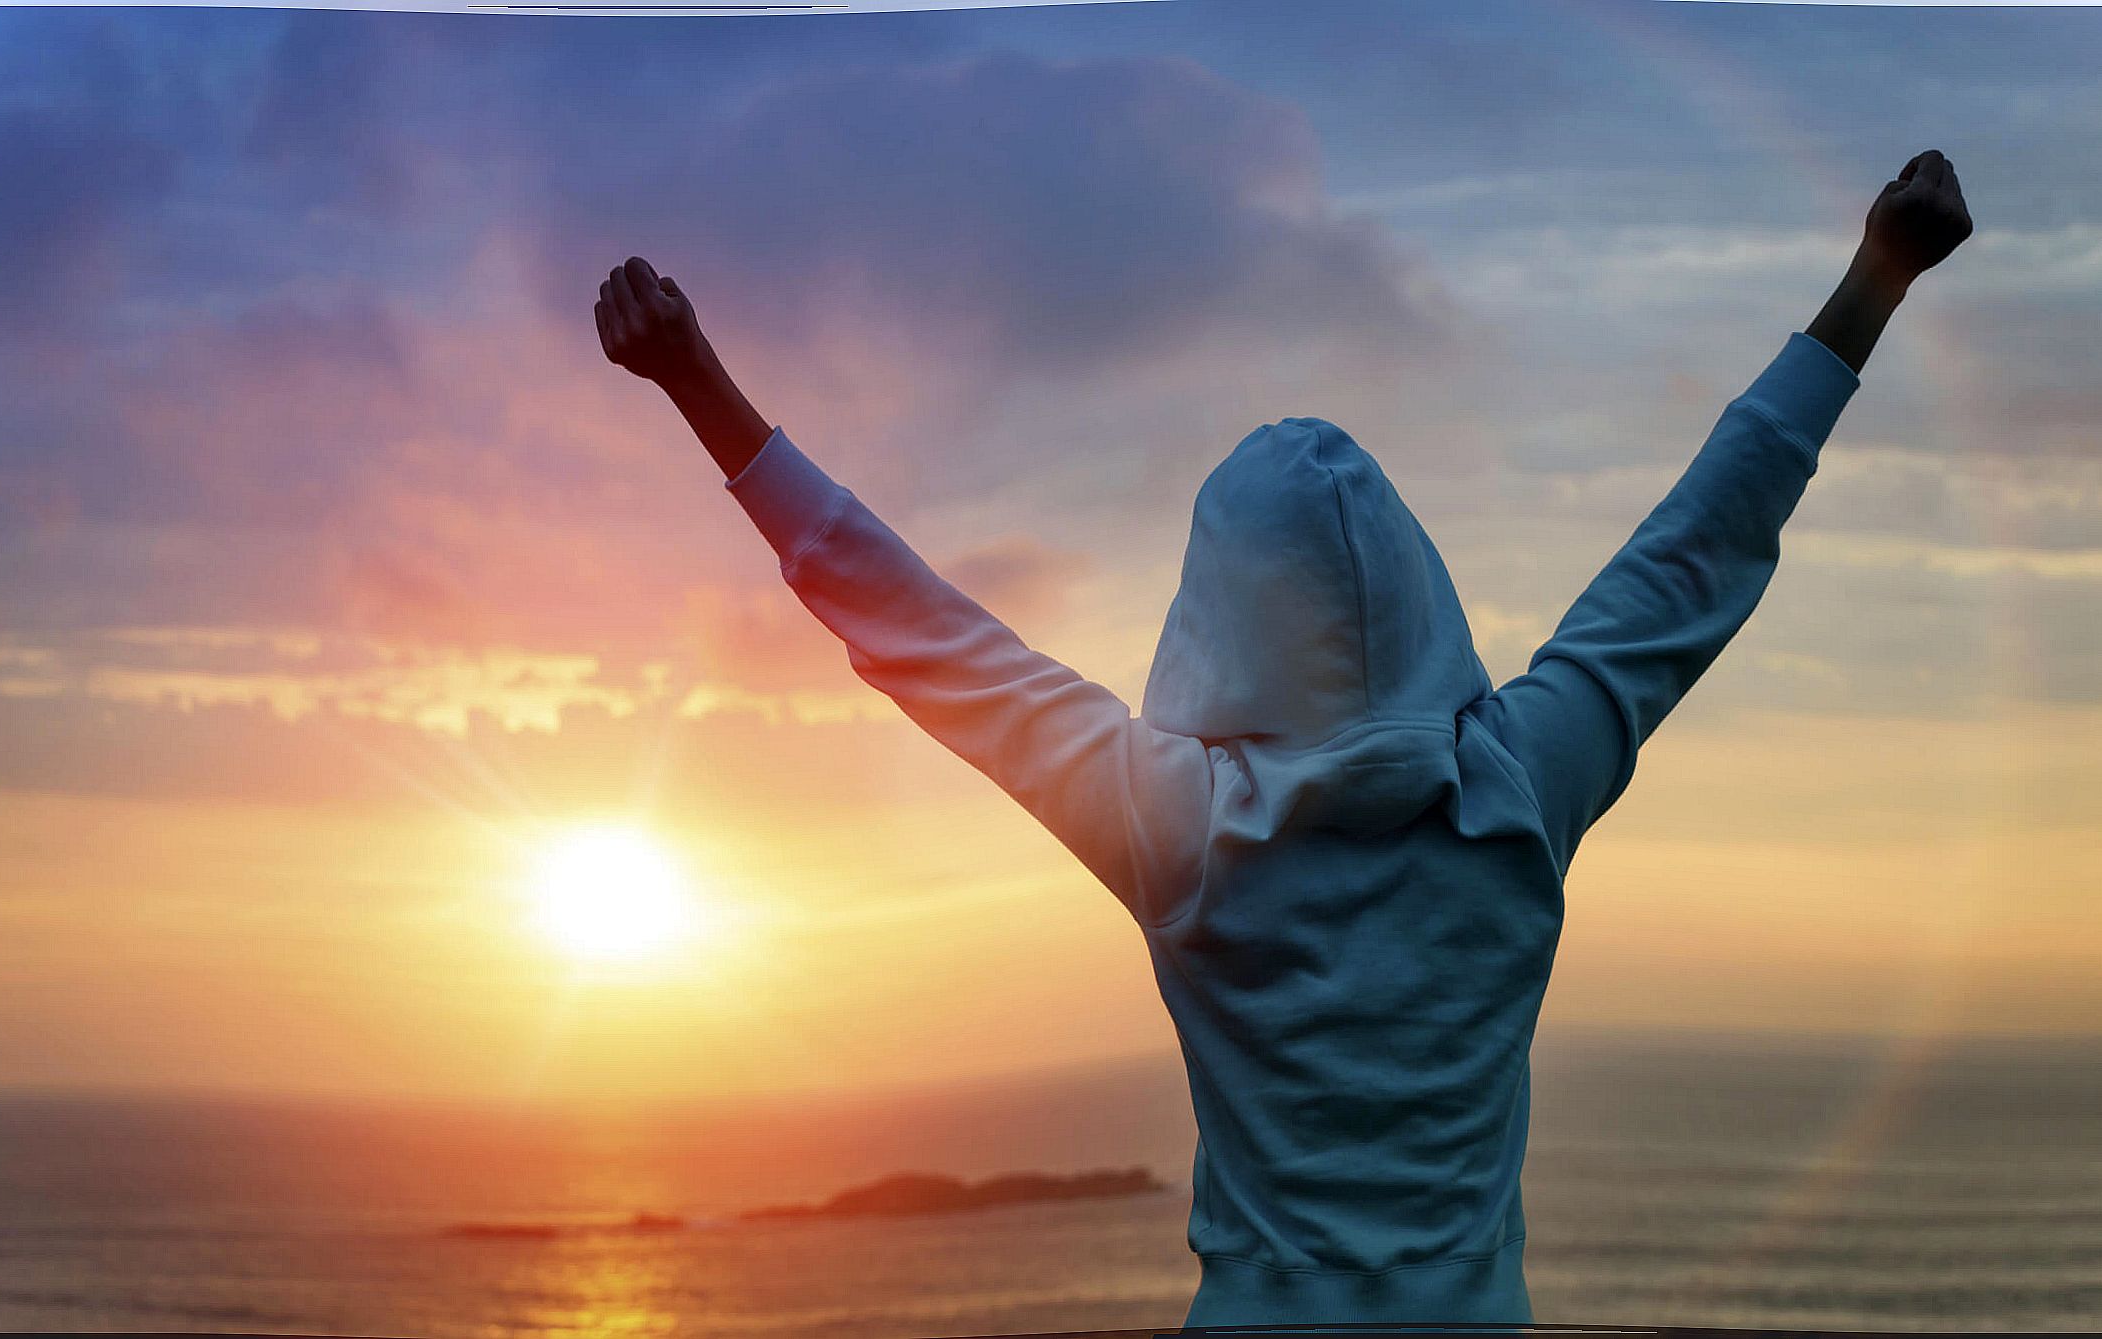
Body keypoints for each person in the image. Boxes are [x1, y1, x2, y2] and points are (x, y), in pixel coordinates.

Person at [594, 149, 1973, 1328]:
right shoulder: (1521, 781)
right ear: (1415, 578)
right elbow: (1693, 555)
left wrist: (693, 381)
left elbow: (928, 636)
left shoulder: (1177, 822)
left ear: (1213, 608)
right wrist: (1874, 280)